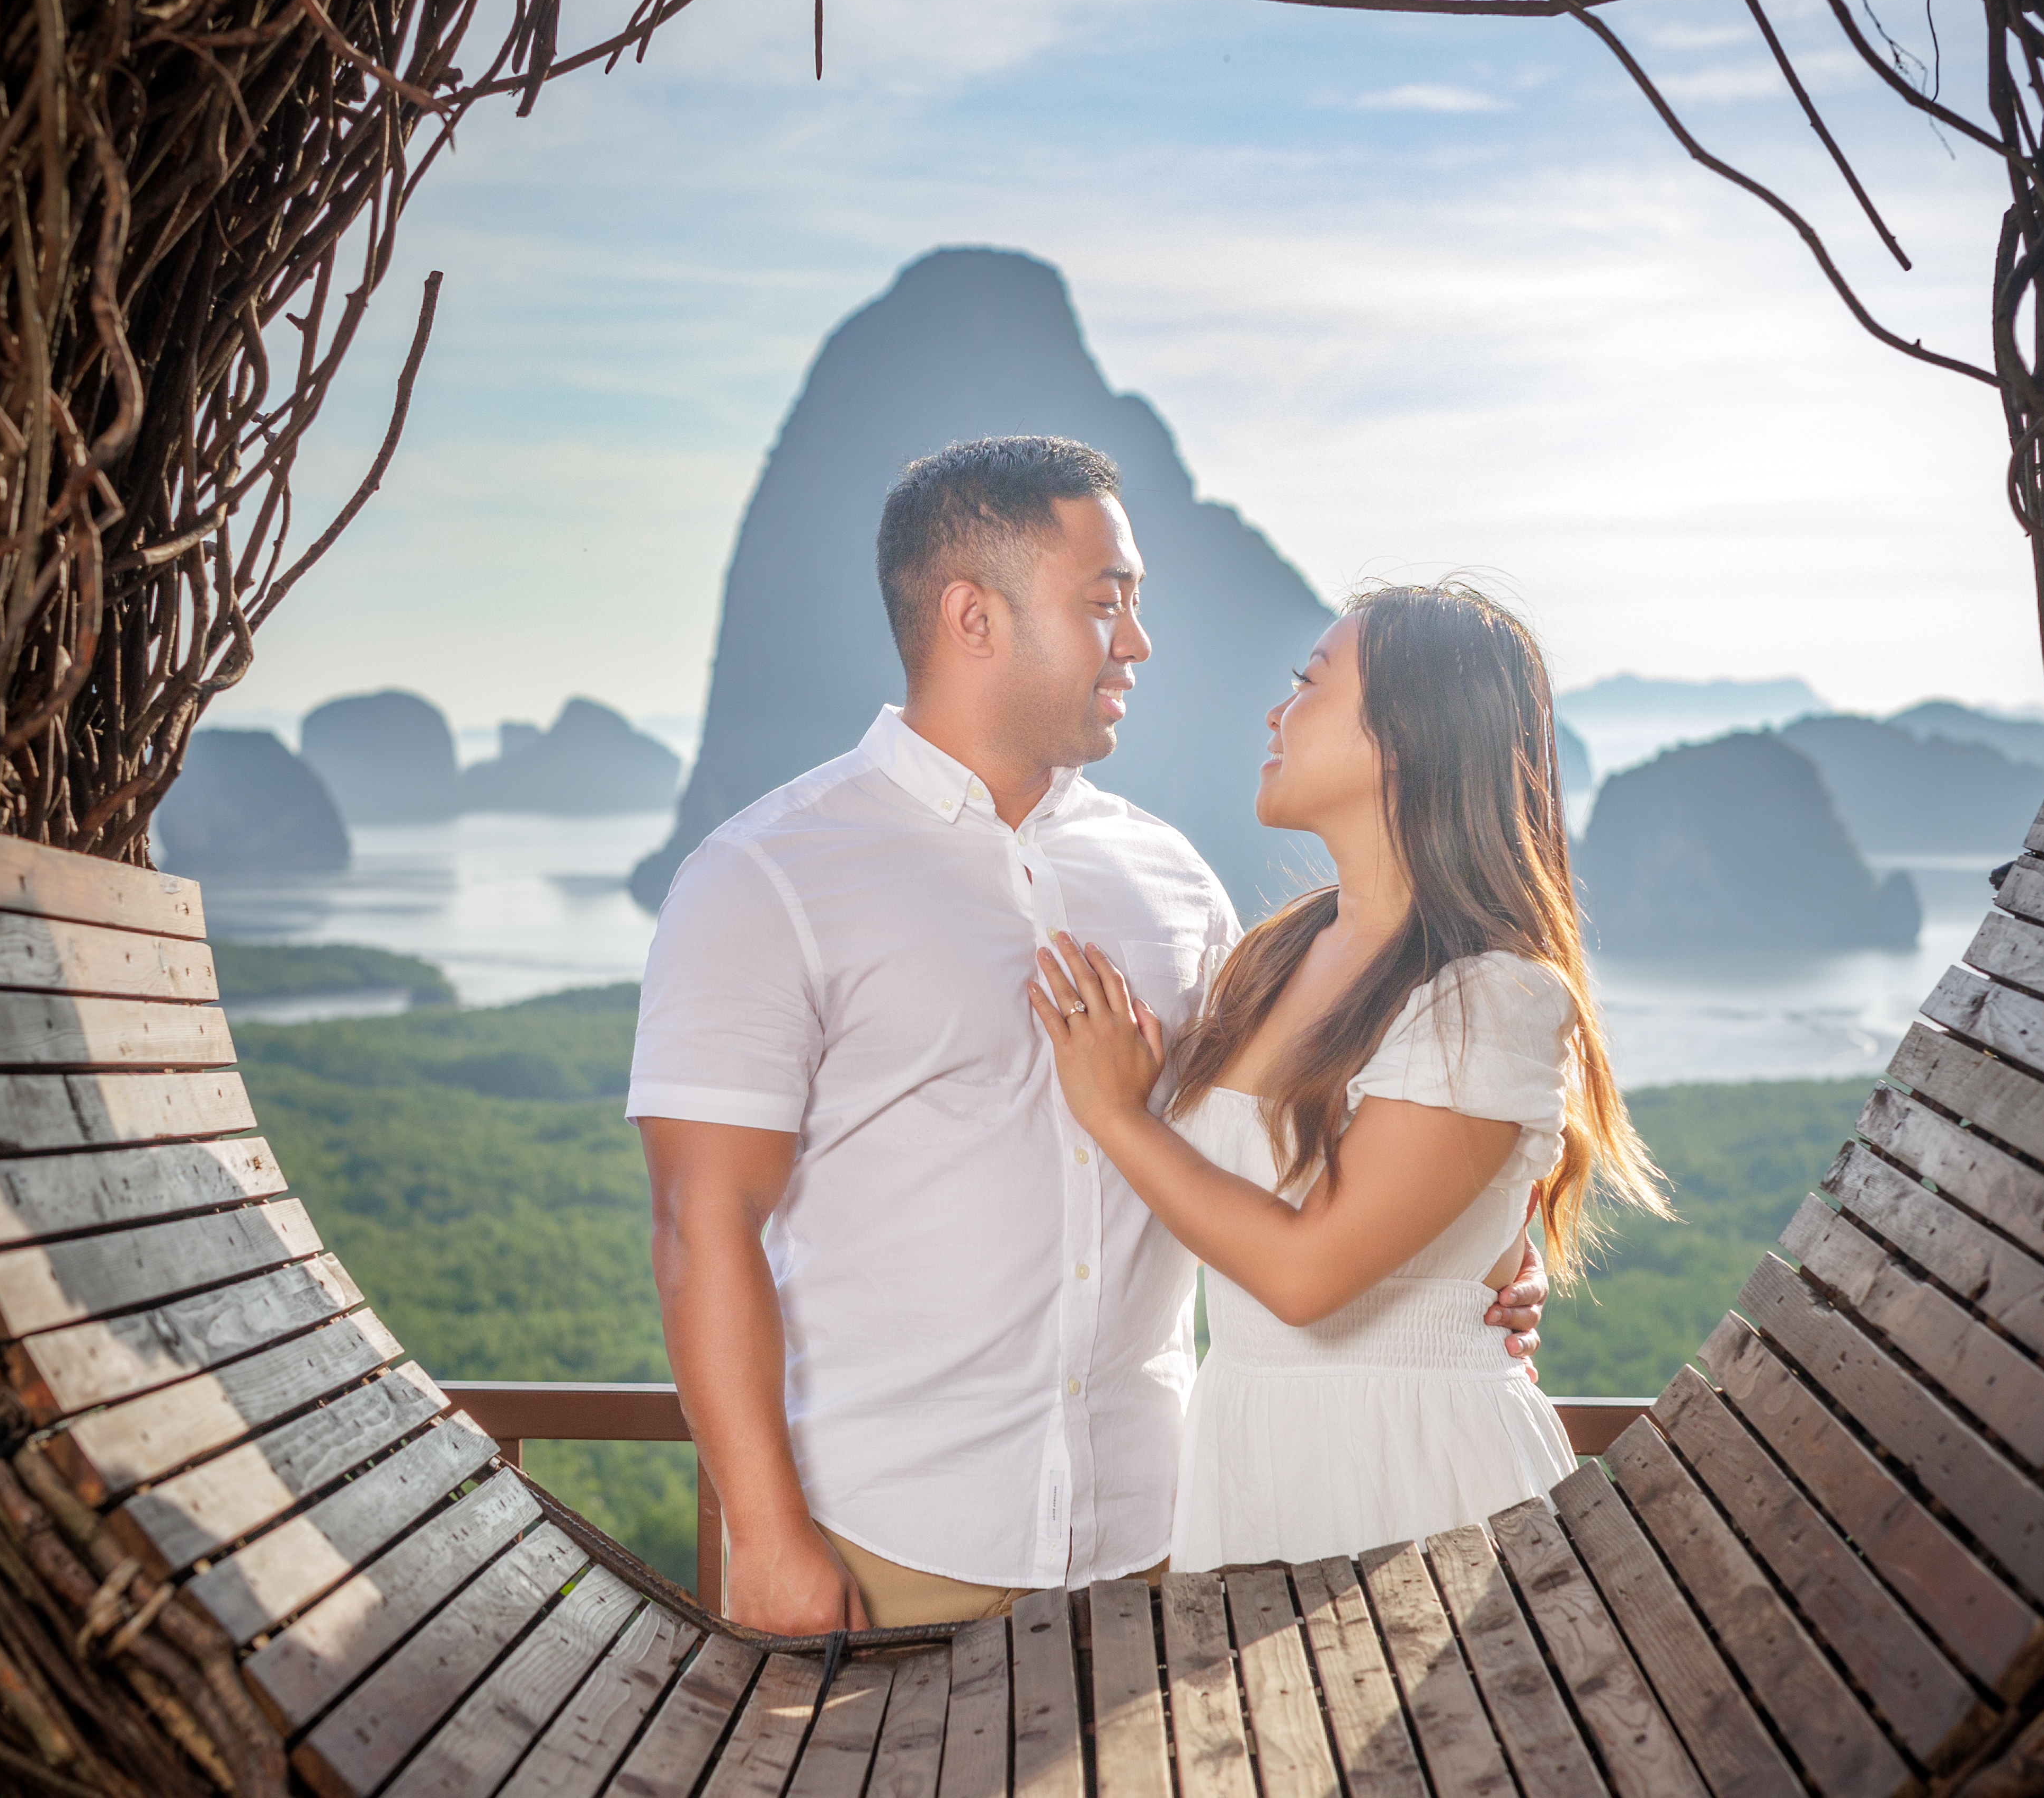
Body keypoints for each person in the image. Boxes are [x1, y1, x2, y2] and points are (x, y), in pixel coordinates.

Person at [628, 439, 1549, 1632]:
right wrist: (766, 1533)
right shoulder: (765, 876)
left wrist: (1470, 1269)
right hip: (894, 1542)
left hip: (1174, 1536)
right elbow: (702, 1225)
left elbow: (1327, 1130)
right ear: (973, 616)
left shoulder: (1175, 881)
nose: (1139, 641)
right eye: (1106, 601)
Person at [1028, 581, 1666, 1571]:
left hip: (1412, 1481)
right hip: (1248, 1456)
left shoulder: (1495, 996)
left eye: (1309, 685)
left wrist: (1118, 1114)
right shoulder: (1274, 953)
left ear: (1404, 737)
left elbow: (1303, 1275)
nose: (1277, 712)